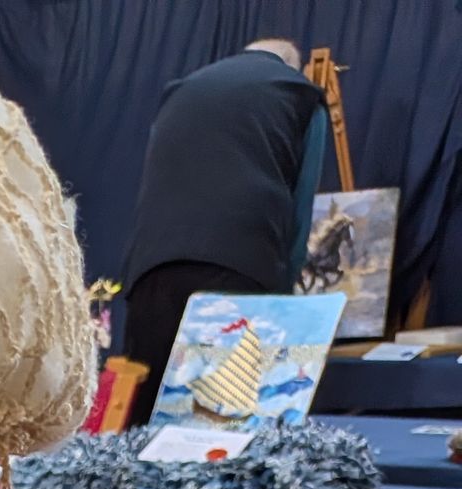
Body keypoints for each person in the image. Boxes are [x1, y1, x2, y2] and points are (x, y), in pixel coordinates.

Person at [121, 38, 329, 418]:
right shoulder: (298, 93)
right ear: (291, 65)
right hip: (241, 267)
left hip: (150, 272)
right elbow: (300, 210)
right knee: (225, 427)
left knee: (141, 425)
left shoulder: (182, 90)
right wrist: (283, 296)